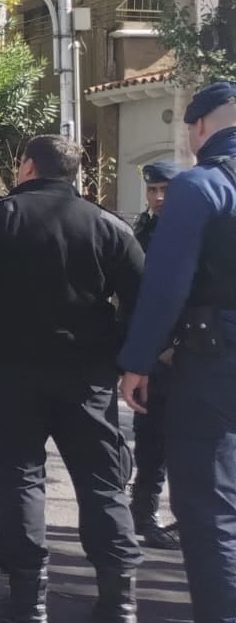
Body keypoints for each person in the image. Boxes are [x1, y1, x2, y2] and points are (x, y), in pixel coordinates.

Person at [0, 135, 144, 623]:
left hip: (11, 374)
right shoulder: (108, 226)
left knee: (19, 481)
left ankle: (28, 604)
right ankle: (119, 606)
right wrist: (119, 355)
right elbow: (141, 302)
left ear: (28, 166)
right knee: (103, 484)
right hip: (87, 378)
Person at [120, 81, 236, 623]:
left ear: (196, 129)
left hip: (214, 367)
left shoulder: (201, 186)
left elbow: (165, 285)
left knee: (210, 507)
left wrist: (138, 361)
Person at [130, 159, 181, 550]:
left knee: (188, 443)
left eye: (166, 189)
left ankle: (189, 518)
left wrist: (175, 346)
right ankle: (143, 514)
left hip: (189, 354)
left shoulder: (195, 231)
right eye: (153, 190)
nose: (158, 197)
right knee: (149, 438)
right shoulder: (143, 229)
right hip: (152, 355)